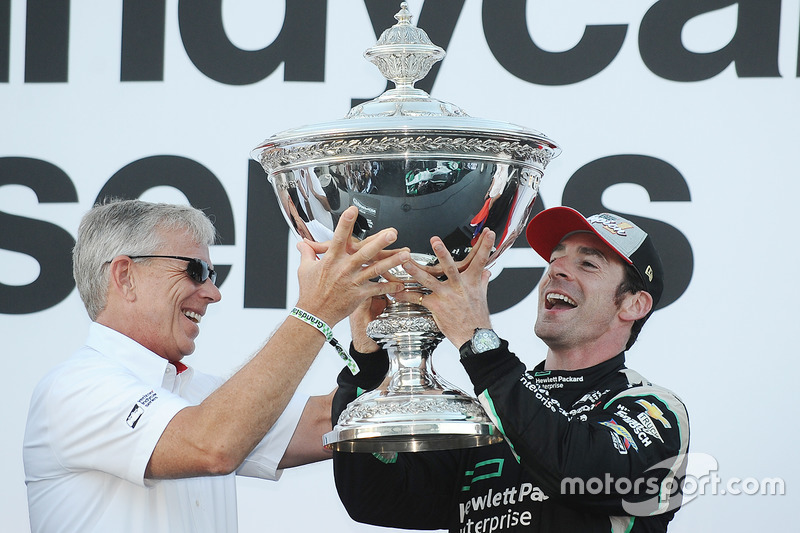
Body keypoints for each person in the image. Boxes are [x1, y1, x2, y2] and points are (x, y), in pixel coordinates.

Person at [23, 199, 408, 533]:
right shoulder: (75, 390)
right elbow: (213, 445)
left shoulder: (196, 394)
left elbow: (334, 421)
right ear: (126, 277)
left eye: (214, 274)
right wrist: (318, 309)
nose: (213, 292)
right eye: (195, 270)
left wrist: (369, 339)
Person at [331, 206, 690, 532]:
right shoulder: (491, 407)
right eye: (555, 259)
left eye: (588, 264)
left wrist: (479, 343)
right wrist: (370, 362)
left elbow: (577, 471)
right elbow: (377, 498)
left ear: (633, 304)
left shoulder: (652, 409)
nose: (556, 270)